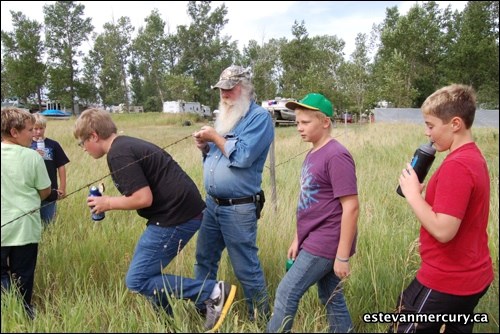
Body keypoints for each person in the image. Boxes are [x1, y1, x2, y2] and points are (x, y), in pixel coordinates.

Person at [73, 108, 236, 331]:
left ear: (93, 135)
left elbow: (142, 198)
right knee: (148, 276)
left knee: (137, 280)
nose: (83, 149)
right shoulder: (125, 145)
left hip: (175, 216)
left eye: (82, 143)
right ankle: (169, 324)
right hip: (180, 212)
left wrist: (107, 203)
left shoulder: (118, 153)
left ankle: (212, 293)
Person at [390, 84, 494, 333]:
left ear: (455, 123)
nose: (427, 133)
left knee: (402, 325)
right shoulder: (472, 156)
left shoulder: (457, 166)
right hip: (474, 275)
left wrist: (414, 195)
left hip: (449, 278)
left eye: (431, 125)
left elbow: (444, 230)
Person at [266, 93, 359, 333]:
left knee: (287, 292)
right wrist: (298, 238)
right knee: (331, 296)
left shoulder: (337, 155)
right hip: (313, 238)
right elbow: (311, 204)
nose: (299, 128)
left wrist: (342, 256)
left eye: (305, 122)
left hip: (327, 241)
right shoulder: (312, 153)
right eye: (297, 122)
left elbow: (351, 207)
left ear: (325, 122)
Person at [193, 65, 274, 321]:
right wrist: (205, 146)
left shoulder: (259, 118)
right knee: (204, 259)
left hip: (238, 208)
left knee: (245, 267)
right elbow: (218, 156)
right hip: (212, 204)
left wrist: (215, 137)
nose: (224, 94)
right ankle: (207, 311)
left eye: (230, 88)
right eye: (221, 89)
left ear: (245, 88)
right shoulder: (227, 116)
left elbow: (244, 156)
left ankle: (259, 319)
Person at [1, 107, 54, 320]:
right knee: (23, 274)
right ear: (14, 132)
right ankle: (23, 312)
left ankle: (7, 308)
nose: (34, 134)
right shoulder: (32, 157)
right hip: (25, 229)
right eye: (30, 130)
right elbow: (45, 191)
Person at [31, 113, 70, 224]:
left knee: (49, 221)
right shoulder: (26, 145)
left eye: (41, 128)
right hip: (32, 191)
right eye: (35, 129)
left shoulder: (53, 144)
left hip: (50, 189)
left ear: (45, 128)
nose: (38, 132)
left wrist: (62, 188)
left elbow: (61, 166)